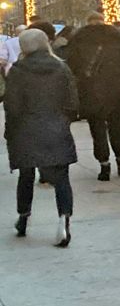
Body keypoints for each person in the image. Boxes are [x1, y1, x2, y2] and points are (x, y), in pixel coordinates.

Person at [6, 29, 78, 246]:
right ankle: (64, 219)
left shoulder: (18, 71)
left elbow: (12, 106)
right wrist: (64, 119)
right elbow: (73, 102)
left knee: (26, 175)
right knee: (61, 177)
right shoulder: (61, 67)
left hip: (26, 130)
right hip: (56, 128)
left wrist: (10, 131)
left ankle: (23, 217)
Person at [66, 12, 120, 181]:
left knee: (97, 128)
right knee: (116, 125)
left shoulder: (78, 39)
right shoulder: (116, 38)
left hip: (89, 90)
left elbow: (72, 65)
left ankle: (104, 165)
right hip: (114, 88)